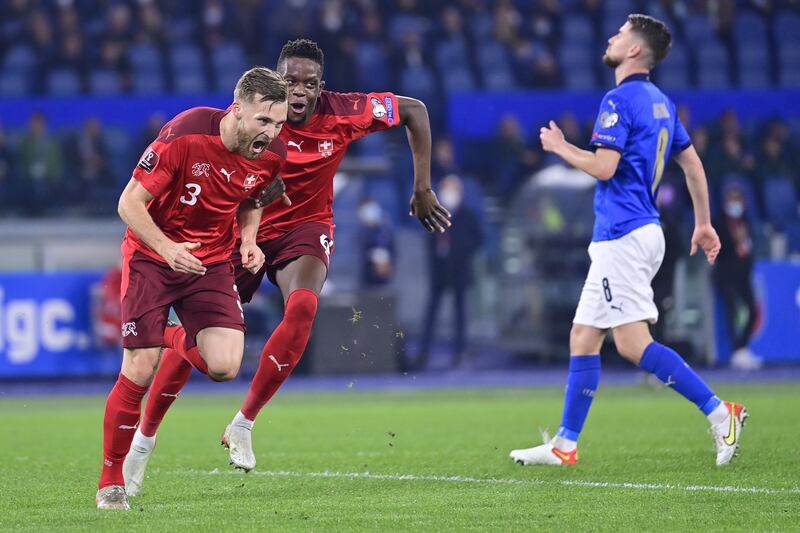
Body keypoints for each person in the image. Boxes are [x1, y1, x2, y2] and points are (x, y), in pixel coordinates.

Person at [123, 38, 451, 492]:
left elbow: (414, 109)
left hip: (305, 226)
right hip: (238, 235)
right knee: (201, 345)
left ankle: (244, 422)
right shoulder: (251, 117)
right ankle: (144, 439)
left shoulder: (345, 112)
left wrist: (422, 187)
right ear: (276, 82)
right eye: (290, 81)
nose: (298, 91)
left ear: (322, 87)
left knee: (303, 307)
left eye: (309, 83)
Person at [509, 14, 747, 468]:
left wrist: (561, 148)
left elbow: (604, 168)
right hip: (637, 231)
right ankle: (565, 444)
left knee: (633, 344)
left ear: (635, 50)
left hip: (624, 234)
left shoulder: (618, 99)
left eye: (620, 34)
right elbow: (693, 165)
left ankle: (722, 414)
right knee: (583, 336)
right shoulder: (661, 103)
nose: (612, 38)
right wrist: (704, 223)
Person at [96, 66, 290, 510]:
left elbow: (254, 196)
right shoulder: (185, 134)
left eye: (278, 123)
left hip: (211, 262)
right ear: (237, 109)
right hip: (152, 255)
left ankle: (168, 334)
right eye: (263, 120)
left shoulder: (271, 154)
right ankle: (110, 482)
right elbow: (128, 202)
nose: (271, 132)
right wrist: (166, 248)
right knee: (140, 370)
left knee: (224, 366)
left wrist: (247, 241)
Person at [417, 174, 483, 369]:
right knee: (431, 312)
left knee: (459, 313)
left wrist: (460, 251)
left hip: (459, 270)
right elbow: (427, 239)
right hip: (439, 270)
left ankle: (459, 352)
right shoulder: (433, 213)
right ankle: (423, 353)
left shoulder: (467, 216)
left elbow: (477, 239)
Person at [714, 185, 761, 370]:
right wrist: (734, 239)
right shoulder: (720, 222)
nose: (735, 204)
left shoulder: (745, 220)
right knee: (731, 311)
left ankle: (742, 348)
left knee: (752, 310)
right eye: (732, 200)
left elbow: (750, 246)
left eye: (738, 200)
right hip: (727, 273)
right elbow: (719, 248)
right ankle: (736, 351)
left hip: (744, 273)